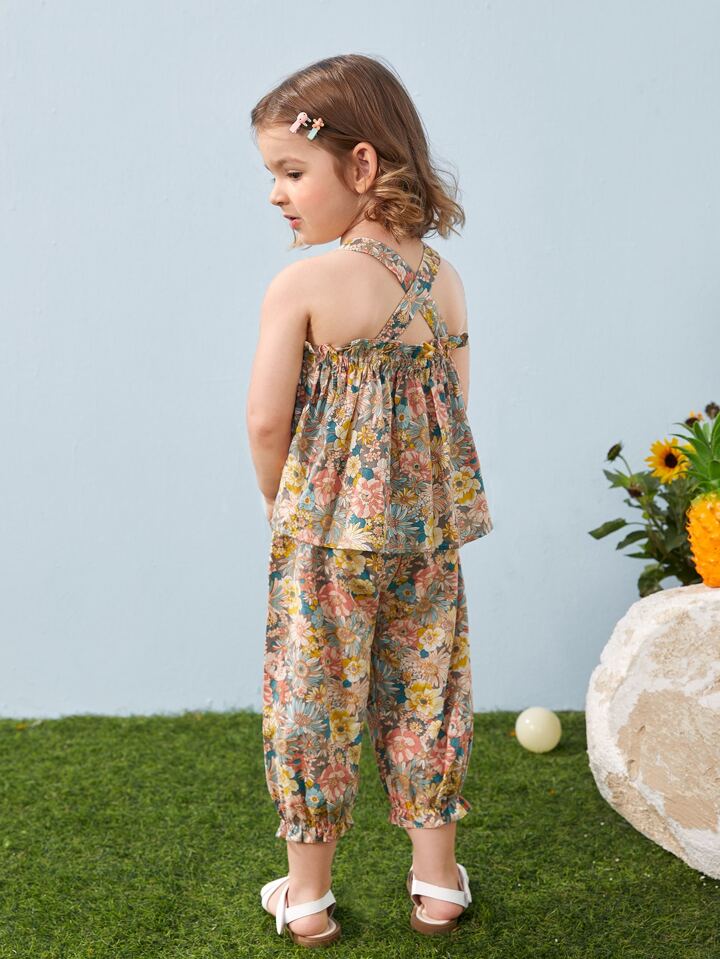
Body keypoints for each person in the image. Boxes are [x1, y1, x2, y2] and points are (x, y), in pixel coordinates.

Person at [246, 53, 494, 946]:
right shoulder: (444, 281)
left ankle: (309, 896)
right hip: (425, 535)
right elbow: (454, 405)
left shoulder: (303, 284)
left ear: (360, 165)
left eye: (291, 171)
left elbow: (266, 419)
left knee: (312, 696)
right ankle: (437, 882)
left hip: (324, 539)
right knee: (428, 691)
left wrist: (282, 502)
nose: (276, 194)